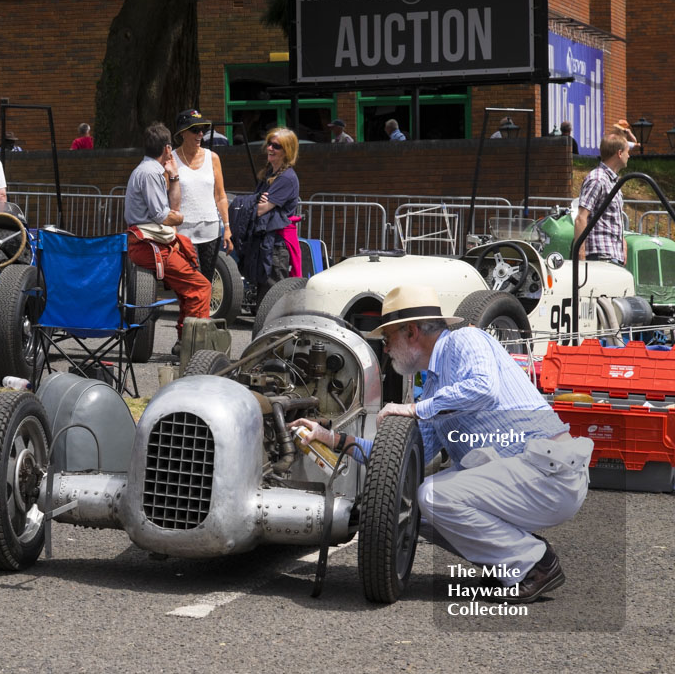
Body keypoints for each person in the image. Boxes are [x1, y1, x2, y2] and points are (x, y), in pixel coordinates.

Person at [289, 285, 593, 604]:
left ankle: (534, 565)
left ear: (411, 332)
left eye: (388, 338)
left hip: (551, 474)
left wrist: (414, 409)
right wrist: (331, 439)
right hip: (526, 477)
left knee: (432, 495)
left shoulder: (466, 340)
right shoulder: (433, 386)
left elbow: (484, 388)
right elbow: (402, 461)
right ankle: (512, 559)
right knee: (412, 503)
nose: (386, 349)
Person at [125, 122, 210, 353]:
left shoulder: (148, 170)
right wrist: (180, 219)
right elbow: (162, 215)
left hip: (149, 241)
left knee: (192, 284)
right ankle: (194, 346)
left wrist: (174, 177)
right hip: (147, 244)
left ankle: (186, 340)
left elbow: (170, 208)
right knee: (201, 287)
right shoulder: (151, 172)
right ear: (167, 149)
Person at [230, 127, 300, 299]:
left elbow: (260, 209)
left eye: (276, 146)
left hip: (277, 244)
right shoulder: (271, 173)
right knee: (264, 294)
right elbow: (257, 204)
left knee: (272, 296)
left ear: (287, 151)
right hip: (266, 242)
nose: (270, 148)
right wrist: (256, 200)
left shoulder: (286, 178)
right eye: (269, 144)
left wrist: (253, 202)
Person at [172, 109, 232, 283]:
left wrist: (227, 227)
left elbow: (220, 196)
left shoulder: (212, 158)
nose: (200, 134)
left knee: (206, 281)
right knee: (186, 280)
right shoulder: (172, 159)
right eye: (194, 130)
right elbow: (167, 197)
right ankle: (187, 311)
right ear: (182, 132)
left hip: (210, 227)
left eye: (202, 130)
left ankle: (203, 311)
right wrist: (172, 228)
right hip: (183, 229)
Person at [574, 133, 629, 266]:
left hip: (612, 254)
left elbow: (611, 219)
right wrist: (580, 254)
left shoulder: (613, 181)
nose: (629, 156)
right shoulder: (597, 179)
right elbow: (581, 218)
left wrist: (623, 243)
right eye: (628, 152)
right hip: (599, 255)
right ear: (619, 153)